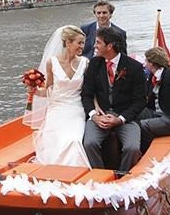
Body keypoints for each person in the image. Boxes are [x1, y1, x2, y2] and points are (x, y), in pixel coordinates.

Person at [80, 26, 146, 172]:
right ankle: (101, 176)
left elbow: (140, 100)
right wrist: (93, 116)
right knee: (89, 143)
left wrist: (120, 119)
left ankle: (122, 175)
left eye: (98, 42)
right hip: (100, 115)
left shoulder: (134, 67)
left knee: (132, 148)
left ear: (109, 46)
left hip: (125, 116)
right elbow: (86, 94)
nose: (94, 46)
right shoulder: (94, 64)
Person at [23, 25, 90, 167]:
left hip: (75, 109)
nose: (82, 46)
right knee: (55, 140)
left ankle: (75, 171)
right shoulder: (51, 63)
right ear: (68, 42)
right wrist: (34, 91)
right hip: (56, 109)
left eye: (83, 43)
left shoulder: (85, 63)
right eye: (79, 43)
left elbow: (89, 91)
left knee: (74, 140)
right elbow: (48, 90)